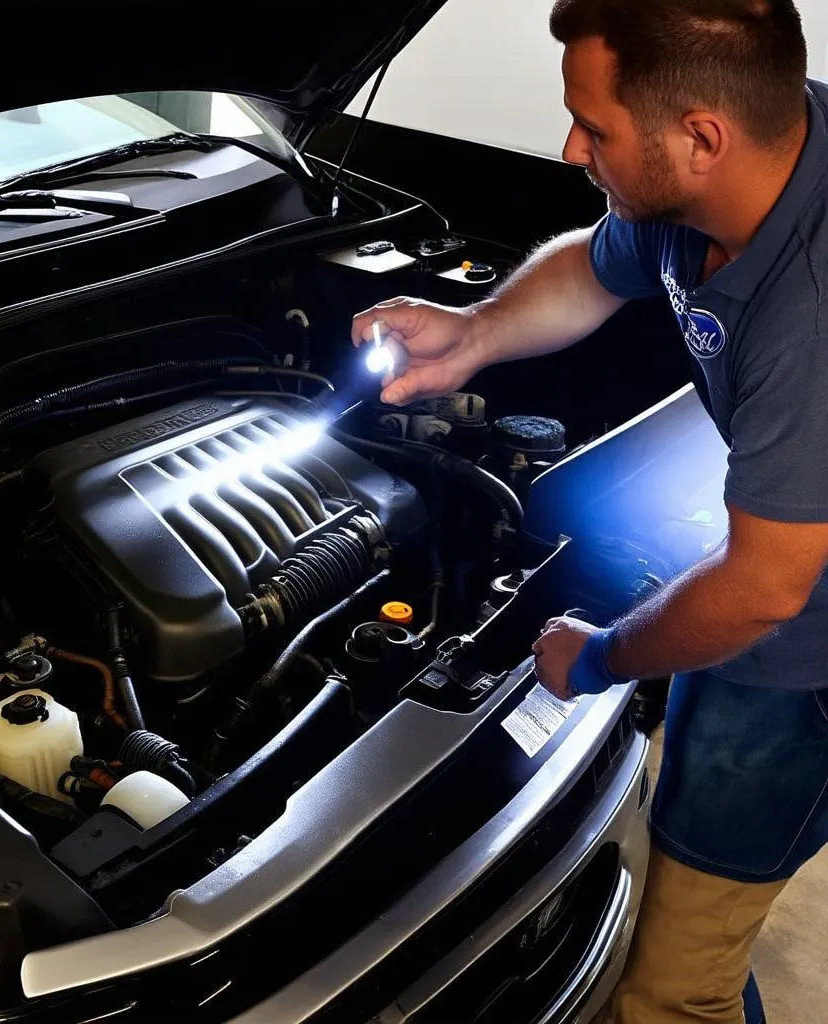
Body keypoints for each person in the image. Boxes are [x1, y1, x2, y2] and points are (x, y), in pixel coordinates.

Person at [352, 1, 828, 1021]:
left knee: (672, 982)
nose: (571, 147)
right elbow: (597, 262)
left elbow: (761, 590)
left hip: (805, 659)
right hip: (780, 585)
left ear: (701, 137)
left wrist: (601, 655)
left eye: (594, 129)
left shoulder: (809, 313)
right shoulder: (752, 150)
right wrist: (473, 333)